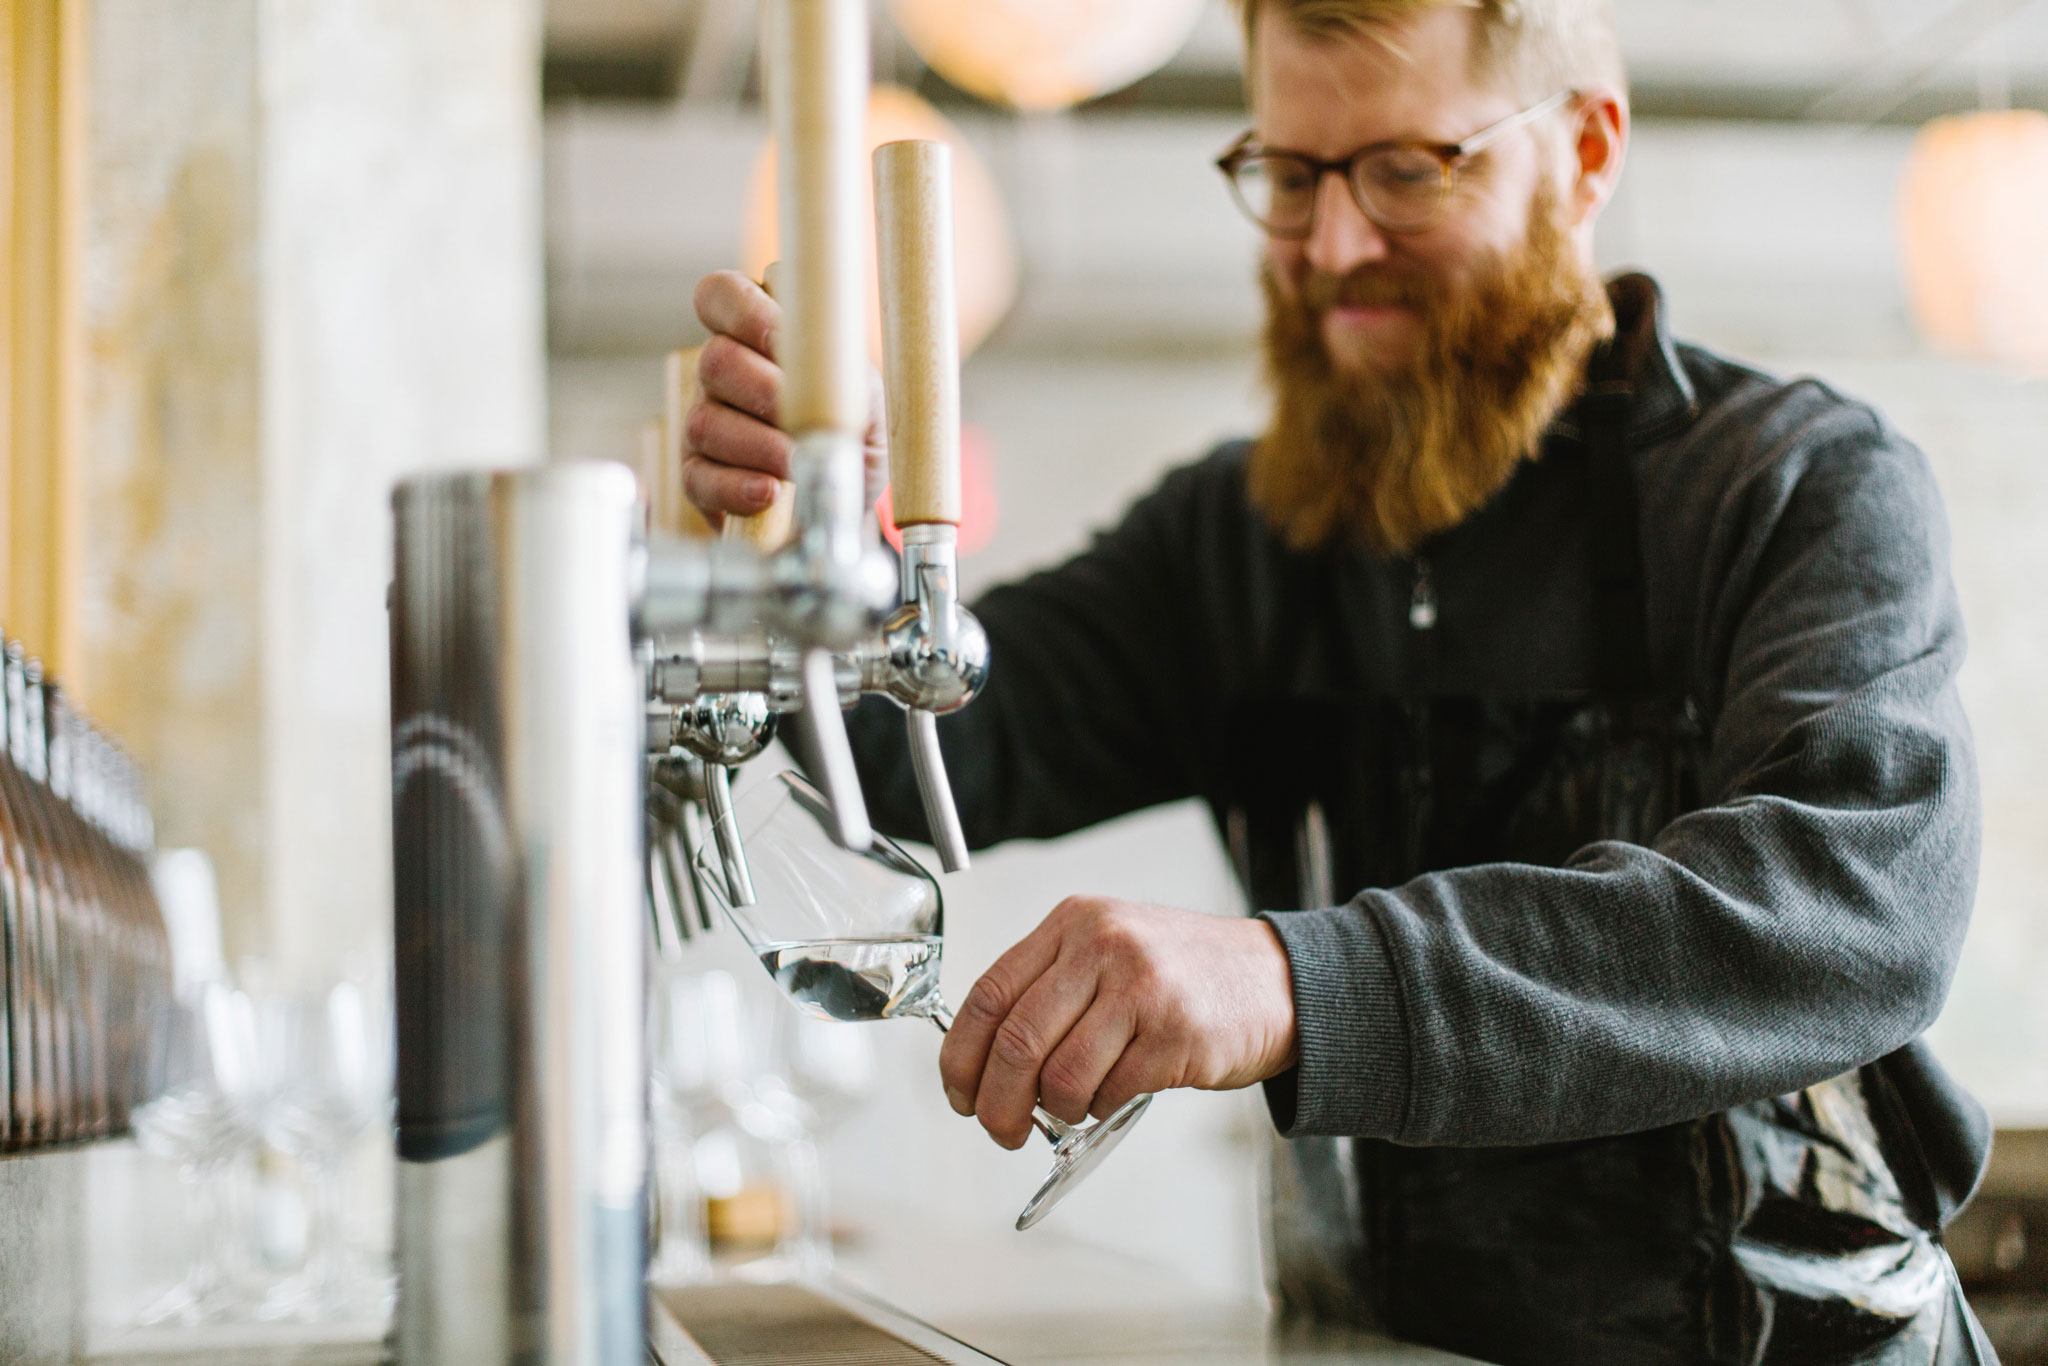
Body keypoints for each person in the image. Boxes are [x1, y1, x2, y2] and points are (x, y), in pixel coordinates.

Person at [679, 2, 1998, 1361]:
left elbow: (1853, 903)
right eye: (1292, 177)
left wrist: (1301, 986)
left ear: (1588, 151)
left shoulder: (1794, 488)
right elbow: (885, 763)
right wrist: (797, 543)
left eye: (1407, 171)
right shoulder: (1237, 545)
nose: (1333, 246)